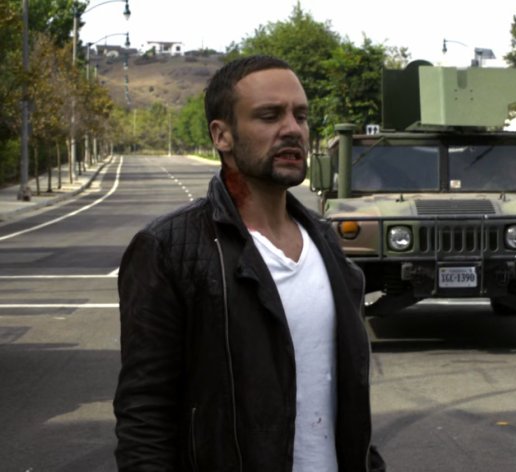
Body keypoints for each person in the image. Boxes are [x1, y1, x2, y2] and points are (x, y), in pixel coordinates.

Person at [113, 55, 385, 471]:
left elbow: (345, 399)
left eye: (301, 115)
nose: (292, 129)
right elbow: (145, 414)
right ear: (222, 135)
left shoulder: (325, 241)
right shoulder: (168, 248)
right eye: (269, 115)